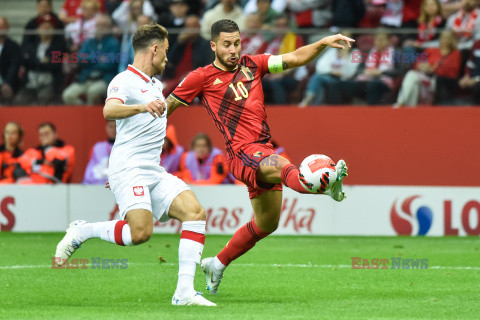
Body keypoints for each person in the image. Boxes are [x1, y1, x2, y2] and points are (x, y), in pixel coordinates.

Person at [166, 19, 351, 295]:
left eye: (237, 43)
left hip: (262, 149)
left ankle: (217, 264)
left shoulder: (253, 64)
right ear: (213, 45)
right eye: (227, 44)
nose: (233, 49)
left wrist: (323, 43)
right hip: (242, 154)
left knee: (267, 223)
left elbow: (294, 57)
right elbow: (167, 107)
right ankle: (324, 182)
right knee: (284, 166)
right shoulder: (201, 77)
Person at [54, 23, 216, 307]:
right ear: (153, 49)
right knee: (140, 234)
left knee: (195, 212)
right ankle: (83, 230)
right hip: (130, 169)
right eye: (165, 51)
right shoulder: (123, 81)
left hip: (151, 170)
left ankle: (184, 293)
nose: (167, 58)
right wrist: (141, 108)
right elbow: (108, 110)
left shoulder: (154, 85)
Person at [62, 14, 120, 105]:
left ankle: (91, 117)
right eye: (98, 25)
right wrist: (97, 58)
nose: (100, 27)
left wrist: (89, 61)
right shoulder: (89, 42)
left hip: (104, 79)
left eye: (103, 25)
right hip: (85, 78)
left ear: (109, 27)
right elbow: (80, 59)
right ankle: (83, 113)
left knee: (93, 92)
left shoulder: (114, 43)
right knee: (67, 95)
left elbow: (110, 64)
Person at [396, 30, 461, 107]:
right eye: (443, 37)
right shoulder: (432, 50)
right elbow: (417, 63)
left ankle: (400, 104)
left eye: (447, 38)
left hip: (436, 83)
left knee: (412, 76)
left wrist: (432, 69)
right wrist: (421, 66)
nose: (444, 40)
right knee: (412, 78)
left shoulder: (455, 54)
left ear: (452, 40)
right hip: (423, 79)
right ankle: (409, 109)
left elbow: (453, 72)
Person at [15, 14, 67, 105]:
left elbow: (55, 65)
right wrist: (43, 61)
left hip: (49, 82)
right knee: (19, 100)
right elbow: (25, 61)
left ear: (54, 30)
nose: (46, 28)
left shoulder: (58, 46)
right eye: (43, 26)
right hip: (30, 82)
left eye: (49, 26)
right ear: (38, 29)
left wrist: (35, 61)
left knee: (43, 100)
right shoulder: (31, 45)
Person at [82, 120, 116, 184]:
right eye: (110, 127)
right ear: (106, 128)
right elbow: (89, 173)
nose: (113, 130)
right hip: (99, 186)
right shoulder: (97, 147)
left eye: (115, 127)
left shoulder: (126, 147)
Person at [0, 17, 22, 105]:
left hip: (7, 81)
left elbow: (14, 66)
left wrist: (8, 83)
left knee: (6, 91)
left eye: (2, 26)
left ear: (7, 28)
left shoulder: (13, 45)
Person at [459, 38, 480, 103]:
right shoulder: (477, 44)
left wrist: (476, 79)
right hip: (473, 77)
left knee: (477, 87)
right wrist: (466, 75)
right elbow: (470, 62)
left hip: (477, 79)